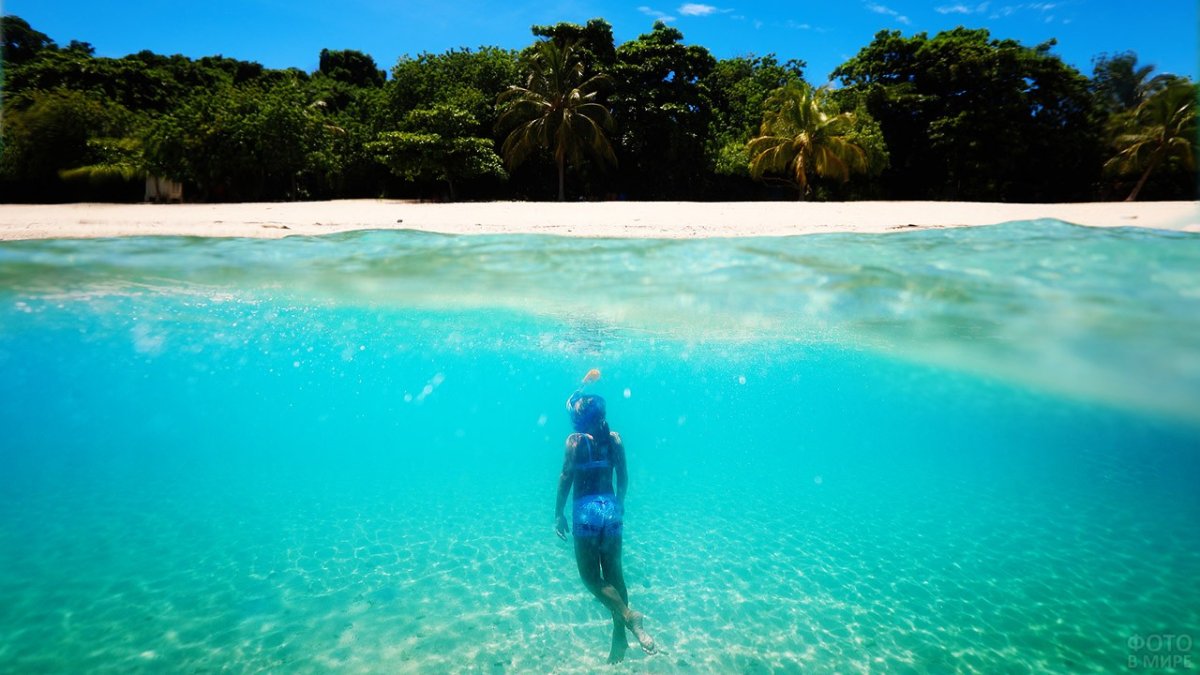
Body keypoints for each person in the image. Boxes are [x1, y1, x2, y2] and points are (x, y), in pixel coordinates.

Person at [555, 372, 657, 663]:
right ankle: (621, 634)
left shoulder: (575, 442)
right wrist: (620, 504)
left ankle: (627, 615)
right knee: (615, 574)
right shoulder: (615, 439)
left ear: (579, 420)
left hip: (586, 512)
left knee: (591, 578)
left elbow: (565, 478)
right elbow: (623, 477)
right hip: (611, 510)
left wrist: (558, 513)